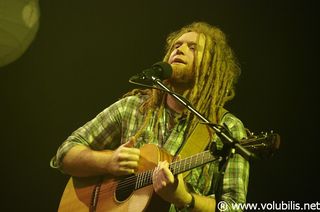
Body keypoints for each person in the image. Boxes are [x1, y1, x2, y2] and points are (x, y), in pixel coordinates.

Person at [51, 21, 250, 211]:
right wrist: (109, 161)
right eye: (176, 45)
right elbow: (65, 154)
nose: (178, 50)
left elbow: (235, 206)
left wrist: (184, 199)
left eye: (193, 48)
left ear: (212, 66)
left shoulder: (227, 129)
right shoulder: (134, 108)